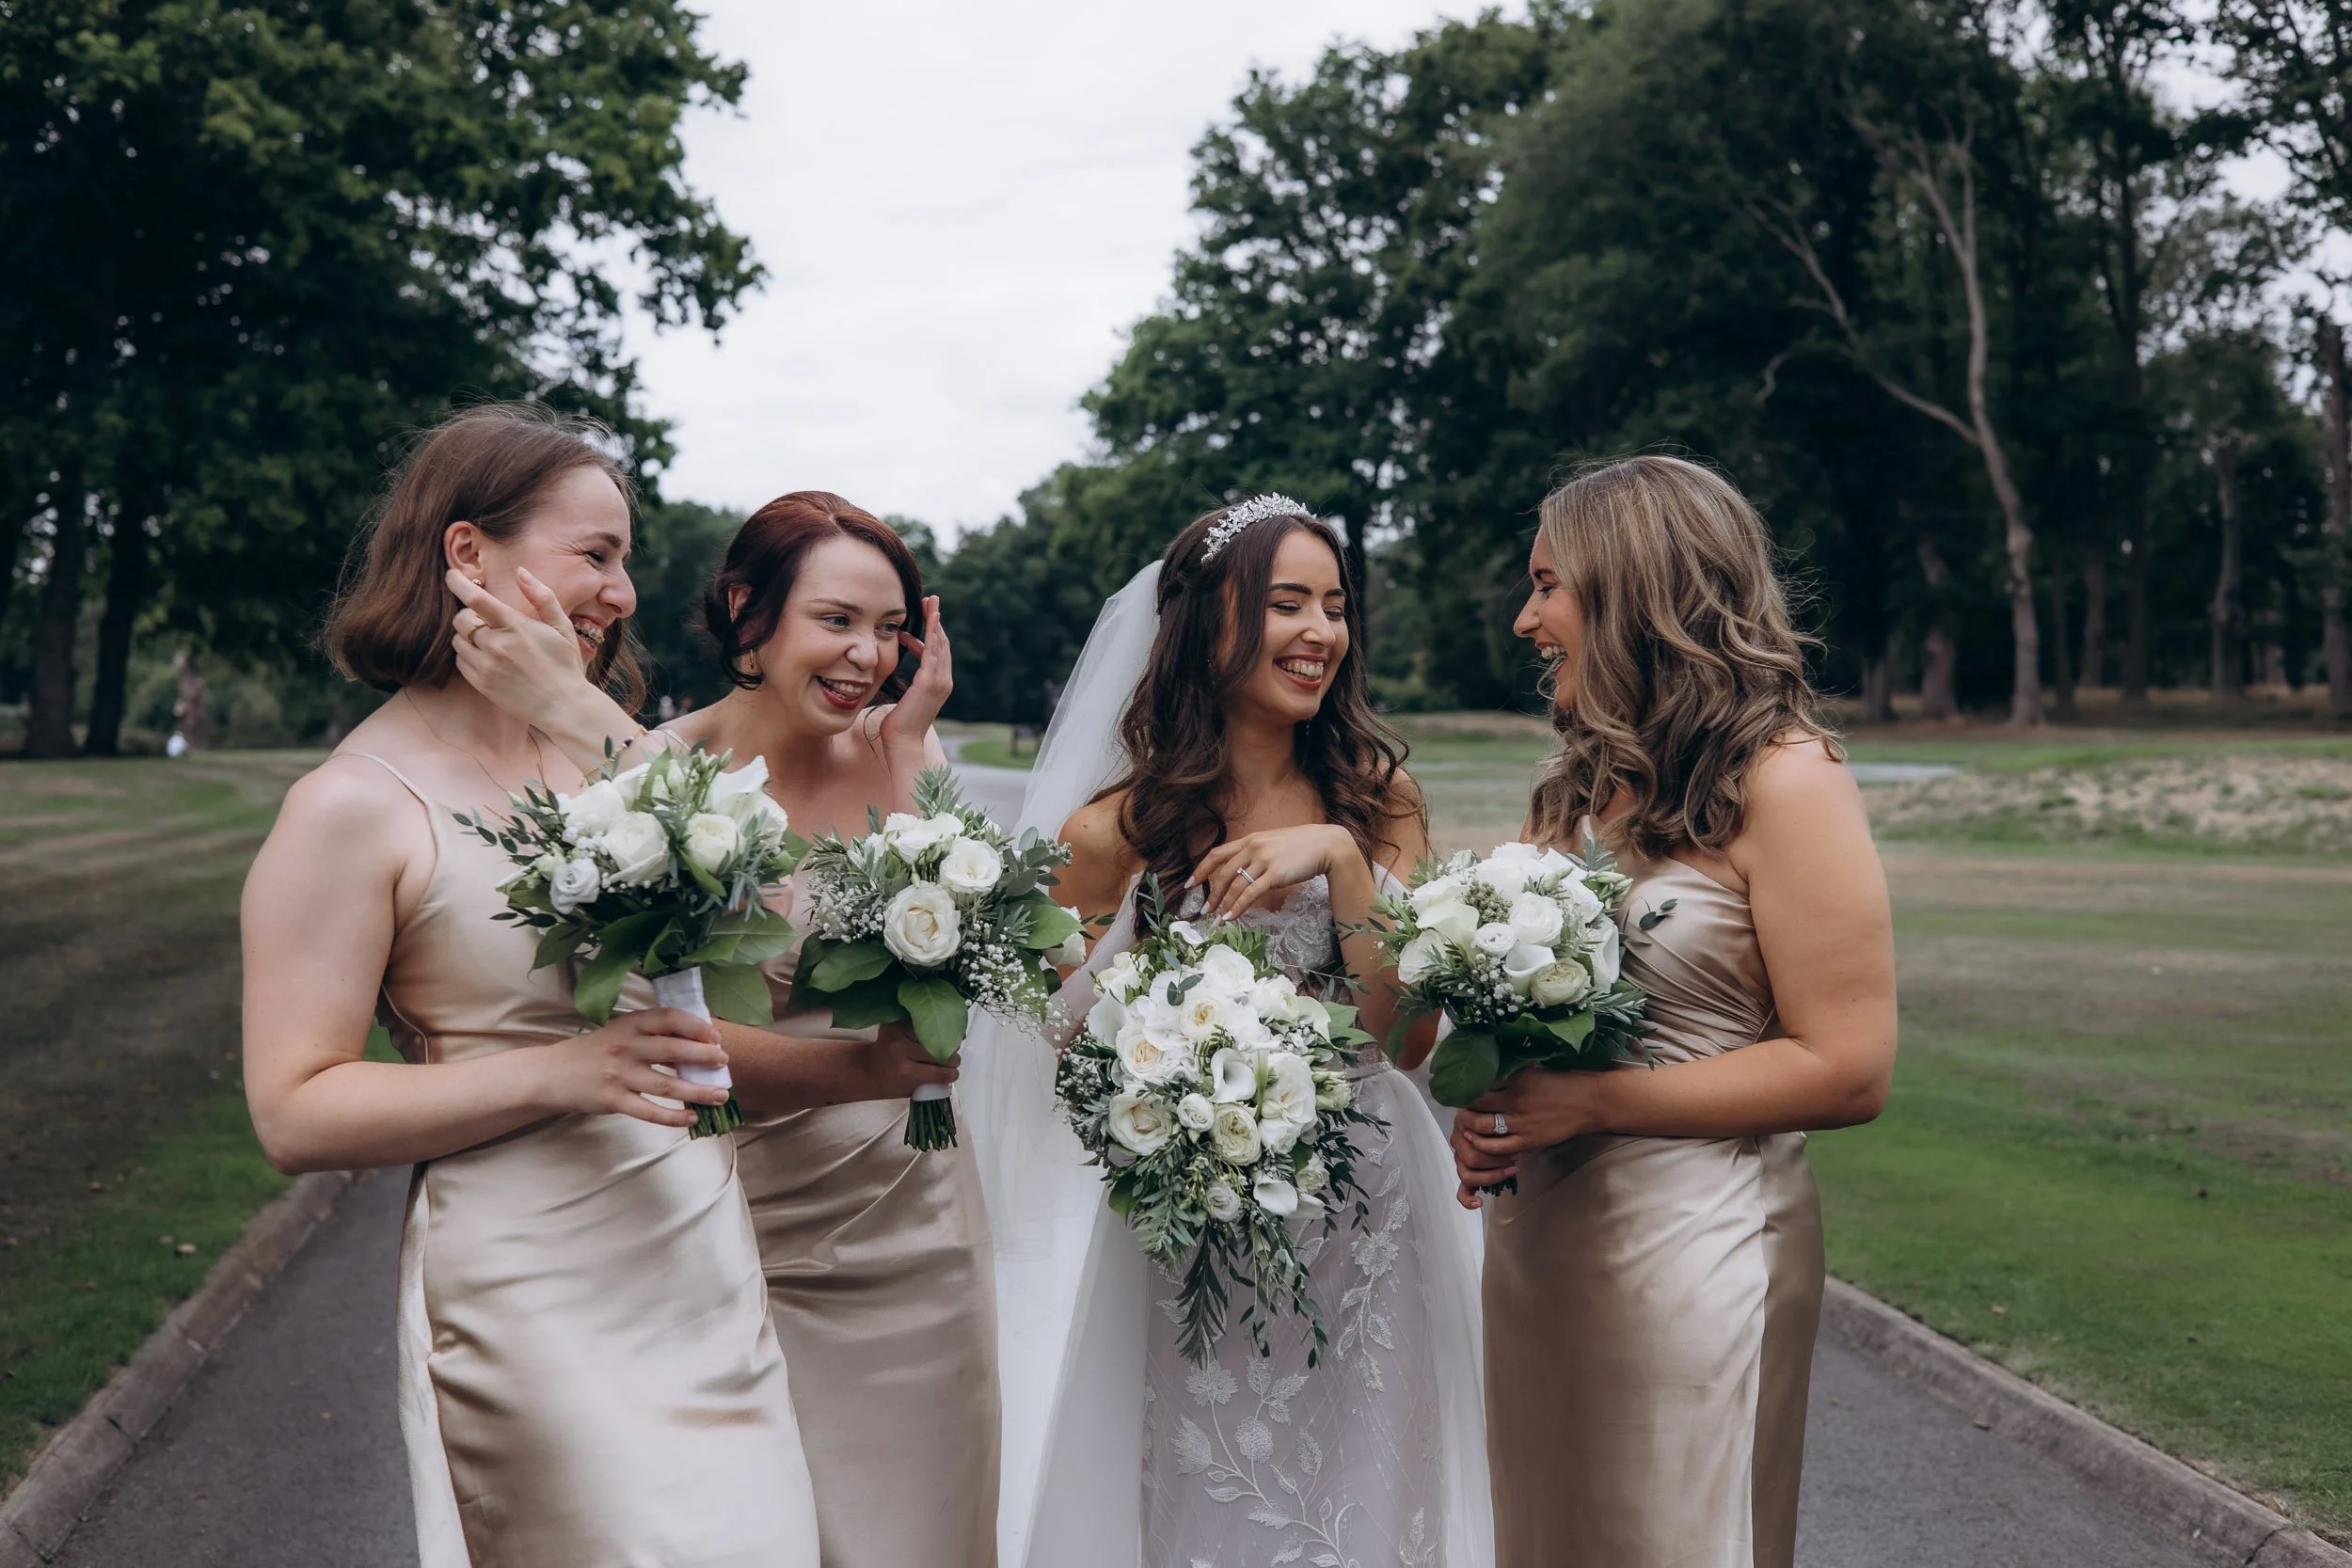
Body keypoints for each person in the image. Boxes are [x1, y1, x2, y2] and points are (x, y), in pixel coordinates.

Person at [239, 404, 820, 1568]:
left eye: (626, 558)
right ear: (469, 554)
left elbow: (784, 931)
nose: (624, 589)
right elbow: (293, 1108)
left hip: (700, 1256)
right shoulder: (353, 805)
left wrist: (578, 714)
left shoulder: (601, 754)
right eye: (594, 553)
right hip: (534, 1293)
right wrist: (561, 1068)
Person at [447, 490, 999, 1568]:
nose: (867, 657)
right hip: (718, 1226)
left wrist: (913, 745)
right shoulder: (643, 782)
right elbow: (659, 1040)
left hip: (913, 1232)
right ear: (748, 610)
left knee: (919, 1531)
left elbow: (975, 974)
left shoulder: (907, 762)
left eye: (890, 630)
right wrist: (863, 1067)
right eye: (836, 620)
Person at [972, 496, 1493, 1568]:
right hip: (1190, 1210)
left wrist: (1343, 862)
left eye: (1335, 606)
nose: (1319, 632)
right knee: (1205, 1474)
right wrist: (1181, 1072)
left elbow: (1406, 1034)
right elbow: (1055, 1038)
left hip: (1367, 1201)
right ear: (1207, 620)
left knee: (1375, 1480)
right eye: (1286, 602)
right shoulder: (1115, 825)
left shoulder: (1376, 796)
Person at [1449, 455, 1898, 1568]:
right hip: (1540, 1250)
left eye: (1548, 584)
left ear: (1633, 588)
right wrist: (1496, 1106)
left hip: (1695, 1250)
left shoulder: (1788, 778)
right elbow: (1533, 1014)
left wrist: (1584, 1101)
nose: (1525, 617)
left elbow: (1849, 1066)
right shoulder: (1572, 788)